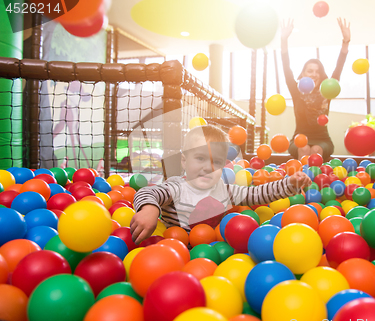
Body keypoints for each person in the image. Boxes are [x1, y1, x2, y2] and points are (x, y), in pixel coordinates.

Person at [131, 125, 312, 244]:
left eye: (216, 162)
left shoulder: (223, 190)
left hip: (213, 250)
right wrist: (149, 210)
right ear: (184, 161)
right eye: (200, 158)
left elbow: (256, 194)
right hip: (171, 246)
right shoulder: (176, 187)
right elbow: (148, 193)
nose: (208, 167)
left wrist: (290, 184)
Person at [281, 18, 351, 160]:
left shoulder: (327, 90)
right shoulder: (296, 91)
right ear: (303, 73)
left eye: (317, 71)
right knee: (304, 148)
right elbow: (286, 68)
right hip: (299, 139)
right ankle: (302, 181)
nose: (313, 74)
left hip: (322, 140)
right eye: (310, 71)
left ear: (321, 74)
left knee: (316, 149)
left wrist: (346, 41)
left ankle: (316, 181)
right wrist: (283, 40)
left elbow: (338, 68)